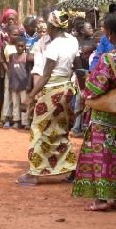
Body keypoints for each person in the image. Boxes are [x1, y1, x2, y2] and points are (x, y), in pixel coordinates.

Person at [72, 13, 116, 211]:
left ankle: (100, 200)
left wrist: (84, 87)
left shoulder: (109, 58)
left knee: (101, 155)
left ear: (109, 32)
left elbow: (96, 87)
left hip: (104, 114)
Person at [17, 10, 78, 186]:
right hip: (67, 90)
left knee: (39, 129)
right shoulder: (73, 41)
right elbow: (78, 65)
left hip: (52, 92)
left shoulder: (54, 46)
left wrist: (30, 96)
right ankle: (72, 169)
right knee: (60, 129)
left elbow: (45, 76)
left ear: (52, 26)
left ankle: (34, 173)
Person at [8, 37, 33, 129]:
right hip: (14, 84)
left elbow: (30, 71)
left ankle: (25, 122)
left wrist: (29, 84)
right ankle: (16, 121)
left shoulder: (27, 57)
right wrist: (10, 83)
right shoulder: (12, 56)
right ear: (15, 46)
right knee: (15, 103)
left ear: (25, 47)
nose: (19, 48)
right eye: (18, 46)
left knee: (24, 104)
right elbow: (10, 71)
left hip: (24, 84)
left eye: (22, 46)